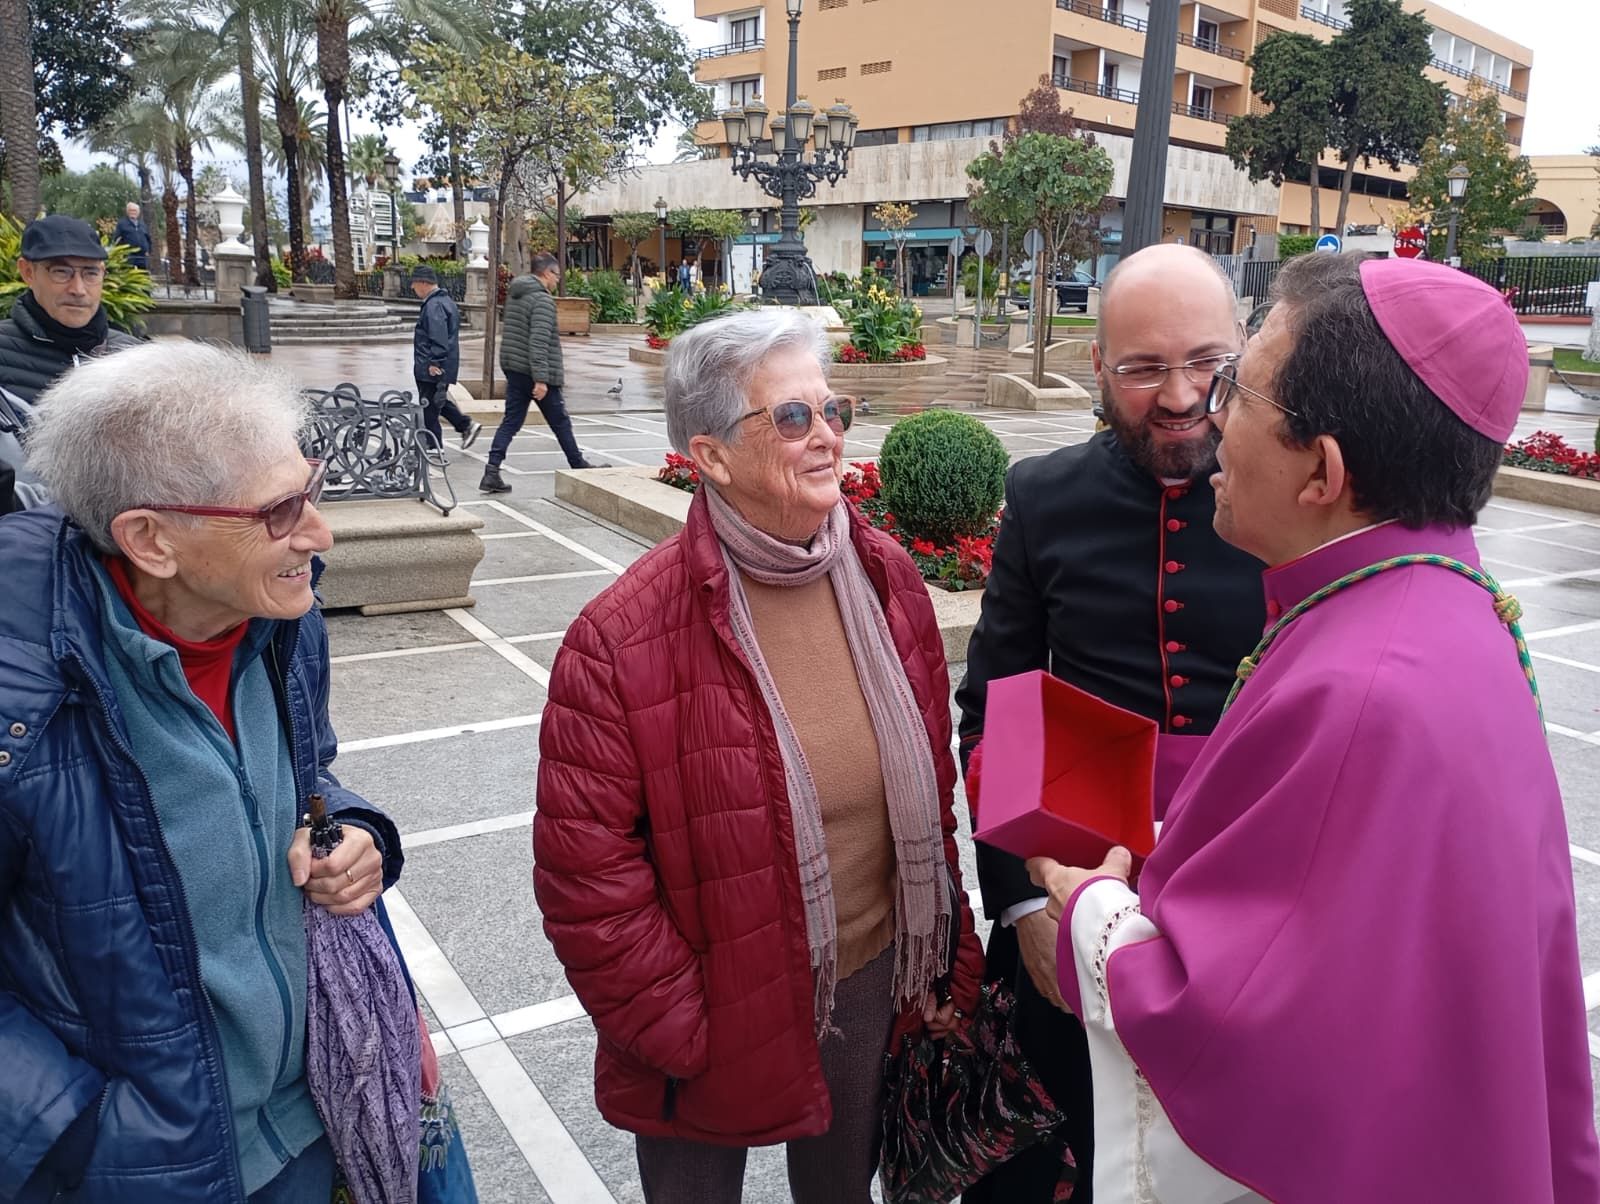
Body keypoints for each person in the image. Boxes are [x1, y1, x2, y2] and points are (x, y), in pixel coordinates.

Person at [1029, 254, 1600, 1202]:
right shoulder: (1443, 602)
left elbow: (1229, 1015)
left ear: (1324, 472)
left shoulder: (1364, 686)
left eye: (1238, 389)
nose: (1208, 416)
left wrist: (1086, 911)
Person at [533, 307, 984, 1203]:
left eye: (833, 411)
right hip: (709, 1008)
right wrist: (677, 1028)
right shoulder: (620, 636)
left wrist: (946, 955)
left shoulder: (888, 580)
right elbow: (585, 868)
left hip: (863, 979)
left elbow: (930, 791)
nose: (827, 438)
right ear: (709, 456)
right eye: (790, 418)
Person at [0, 341, 405, 1202]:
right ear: (149, 540)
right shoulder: (20, 694)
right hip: (140, 1167)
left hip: (314, 1124)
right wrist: (79, 1133)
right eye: (280, 510)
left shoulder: (280, 617)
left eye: (315, 486)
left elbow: (306, 773)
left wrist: (356, 831)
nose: (320, 531)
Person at [955, 243, 1266, 1202]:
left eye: (1208, 363)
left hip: (1247, 895)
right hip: (1073, 881)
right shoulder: (1045, 498)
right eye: (1142, 368)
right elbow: (996, 712)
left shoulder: (1295, 498)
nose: (1179, 396)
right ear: (1097, 364)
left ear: (1244, 353)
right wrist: (1019, 906)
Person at [480, 251, 598, 493]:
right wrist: (541, 379)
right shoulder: (542, 301)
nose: (557, 281)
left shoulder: (516, 295)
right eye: (557, 275)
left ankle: (492, 470)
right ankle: (577, 464)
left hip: (516, 369)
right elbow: (539, 341)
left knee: (511, 421)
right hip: (537, 372)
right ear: (546, 273)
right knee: (560, 422)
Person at [0, 214, 141, 403]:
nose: (78, 289)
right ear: (28, 272)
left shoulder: (136, 356)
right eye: (61, 272)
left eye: (91, 273)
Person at [409, 264, 481, 452]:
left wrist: (435, 362)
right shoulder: (444, 301)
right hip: (437, 363)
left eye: (415, 284)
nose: (412, 288)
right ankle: (464, 426)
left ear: (424, 283)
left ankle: (434, 445)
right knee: (436, 402)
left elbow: (438, 336)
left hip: (432, 365)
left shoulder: (434, 305)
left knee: (429, 406)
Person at [113, 201, 153, 270]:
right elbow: (116, 239)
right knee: (127, 274)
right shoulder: (122, 224)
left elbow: (148, 238)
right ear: (127, 211)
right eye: (131, 210)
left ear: (138, 212)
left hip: (142, 256)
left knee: (144, 275)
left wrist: (148, 250)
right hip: (128, 256)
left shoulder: (142, 224)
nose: (133, 212)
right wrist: (120, 253)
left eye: (135, 210)